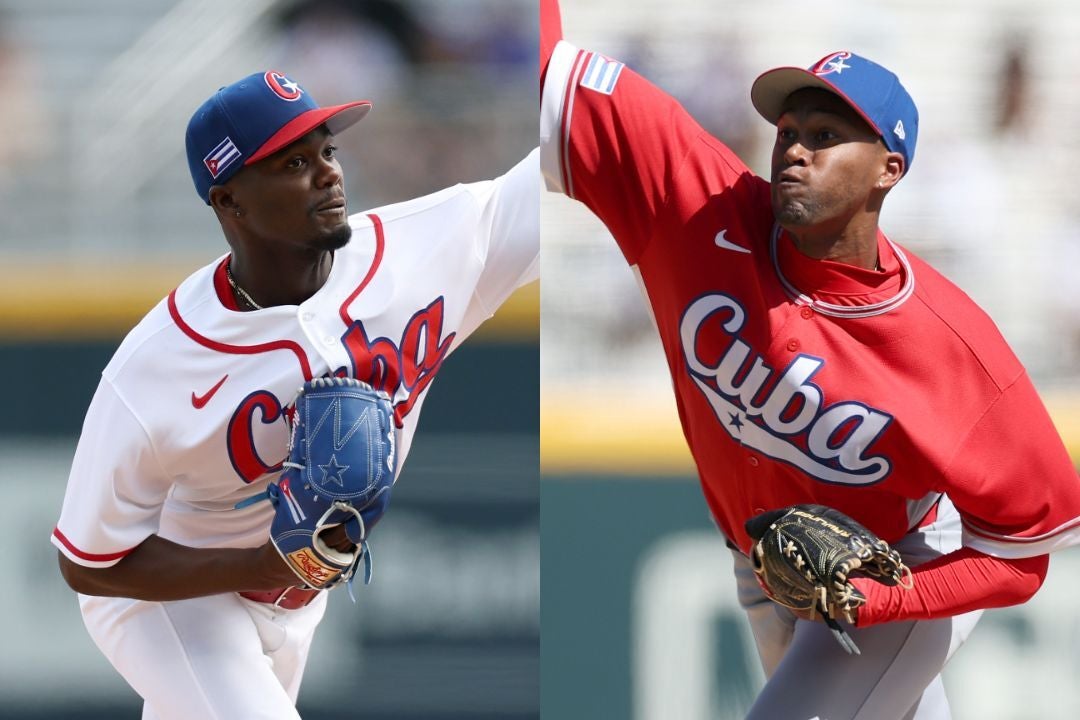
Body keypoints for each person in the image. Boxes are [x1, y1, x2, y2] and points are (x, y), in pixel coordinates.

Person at [540, 1, 1080, 717]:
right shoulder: (699, 207)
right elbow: (552, 79)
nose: (793, 149)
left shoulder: (953, 351)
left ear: (889, 168)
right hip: (759, 567)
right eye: (788, 131)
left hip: (900, 560)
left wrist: (891, 597)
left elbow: (1024, 554)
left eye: (825, 136)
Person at [51, 70, 538, 719]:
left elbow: (556, 170)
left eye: (328, 151)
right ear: (230, 202)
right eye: (293, 161)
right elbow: (90, 563)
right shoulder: (155, 369)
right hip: (170, 603)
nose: (329, 174)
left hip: (297, 604)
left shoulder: (420, 248)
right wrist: (264, 562)